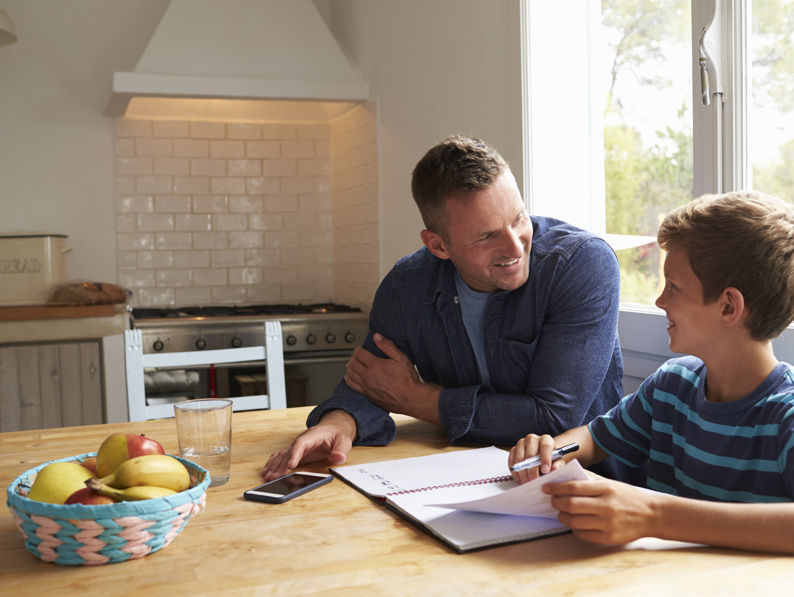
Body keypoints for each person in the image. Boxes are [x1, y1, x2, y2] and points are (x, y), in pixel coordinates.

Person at [263, 134, 626, 481]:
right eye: (487, 236)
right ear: (437, 245)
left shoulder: (582, 265)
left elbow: (554, 418)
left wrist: (417, 400)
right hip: (456, 479)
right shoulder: (406, 285)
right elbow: (370, 381)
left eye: (518, 219)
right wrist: (338, 423)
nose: (516, 247)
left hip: (584, 484)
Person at [508, 191, 794, 554]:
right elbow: (596, 439)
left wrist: (654, 515)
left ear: (728, 306)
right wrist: (554, 451)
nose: (660, 301)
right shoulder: (672, 386)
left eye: (673, 286)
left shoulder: (785, 416)